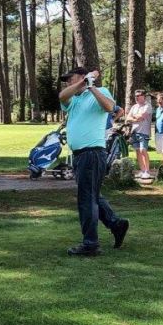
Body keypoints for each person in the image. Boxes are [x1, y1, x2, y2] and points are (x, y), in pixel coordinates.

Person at [59, 66, 130, 256]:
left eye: (70, 78)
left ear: (82, 76)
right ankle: (116, 224)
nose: (67, 82)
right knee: (92, 195)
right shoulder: (72, 99)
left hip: (92, 153)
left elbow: (108, 107)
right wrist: (83, 82)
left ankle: (90, 244)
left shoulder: (100, 92)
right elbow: (61, 96)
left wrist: (91, 86)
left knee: (87, 200)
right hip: (80, 155)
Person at [127, 89, 152, 179]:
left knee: (143, 150)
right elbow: (128, 118)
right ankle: (142, 170)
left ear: (143, 96)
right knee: (137, 151)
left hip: (144, 132)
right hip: (135, 131)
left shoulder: (147, 106)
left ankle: (147, 171)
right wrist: (135, 118)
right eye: (135, 96)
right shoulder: (134, 107)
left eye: (138, 95)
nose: (136, 97)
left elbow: (142, 117)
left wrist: (134, 117)